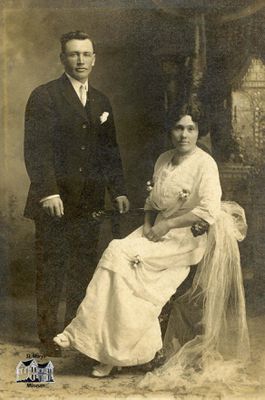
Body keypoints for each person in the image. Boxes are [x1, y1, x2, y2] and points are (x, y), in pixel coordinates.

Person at [54, 110, 226, 377]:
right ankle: (101, 345)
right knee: (116, 253)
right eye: (178, 128)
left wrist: (167, 225)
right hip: (155, 230)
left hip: (185, 238)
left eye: (190, 129)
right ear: (170, 131)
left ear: (198, 132)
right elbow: (153, 201)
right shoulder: (163, 159)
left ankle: (114, 351)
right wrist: (148, 225)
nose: (184, 135)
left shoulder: (205, 164)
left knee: (126, 265)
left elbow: (208, 210)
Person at [24, 31, 129, 357]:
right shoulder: (45, 96)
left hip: (90, 202)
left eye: (86, 54)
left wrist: (119, 190)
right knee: (51, 268)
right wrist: (48, 192)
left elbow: (109, 151)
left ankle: (73, 332)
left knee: (83, 269)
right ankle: (47, 336)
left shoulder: (101, 101)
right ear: (62, 59)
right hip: (54, 201)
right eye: (73, 54)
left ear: (94, 59)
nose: (80, 60)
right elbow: (35, 149)